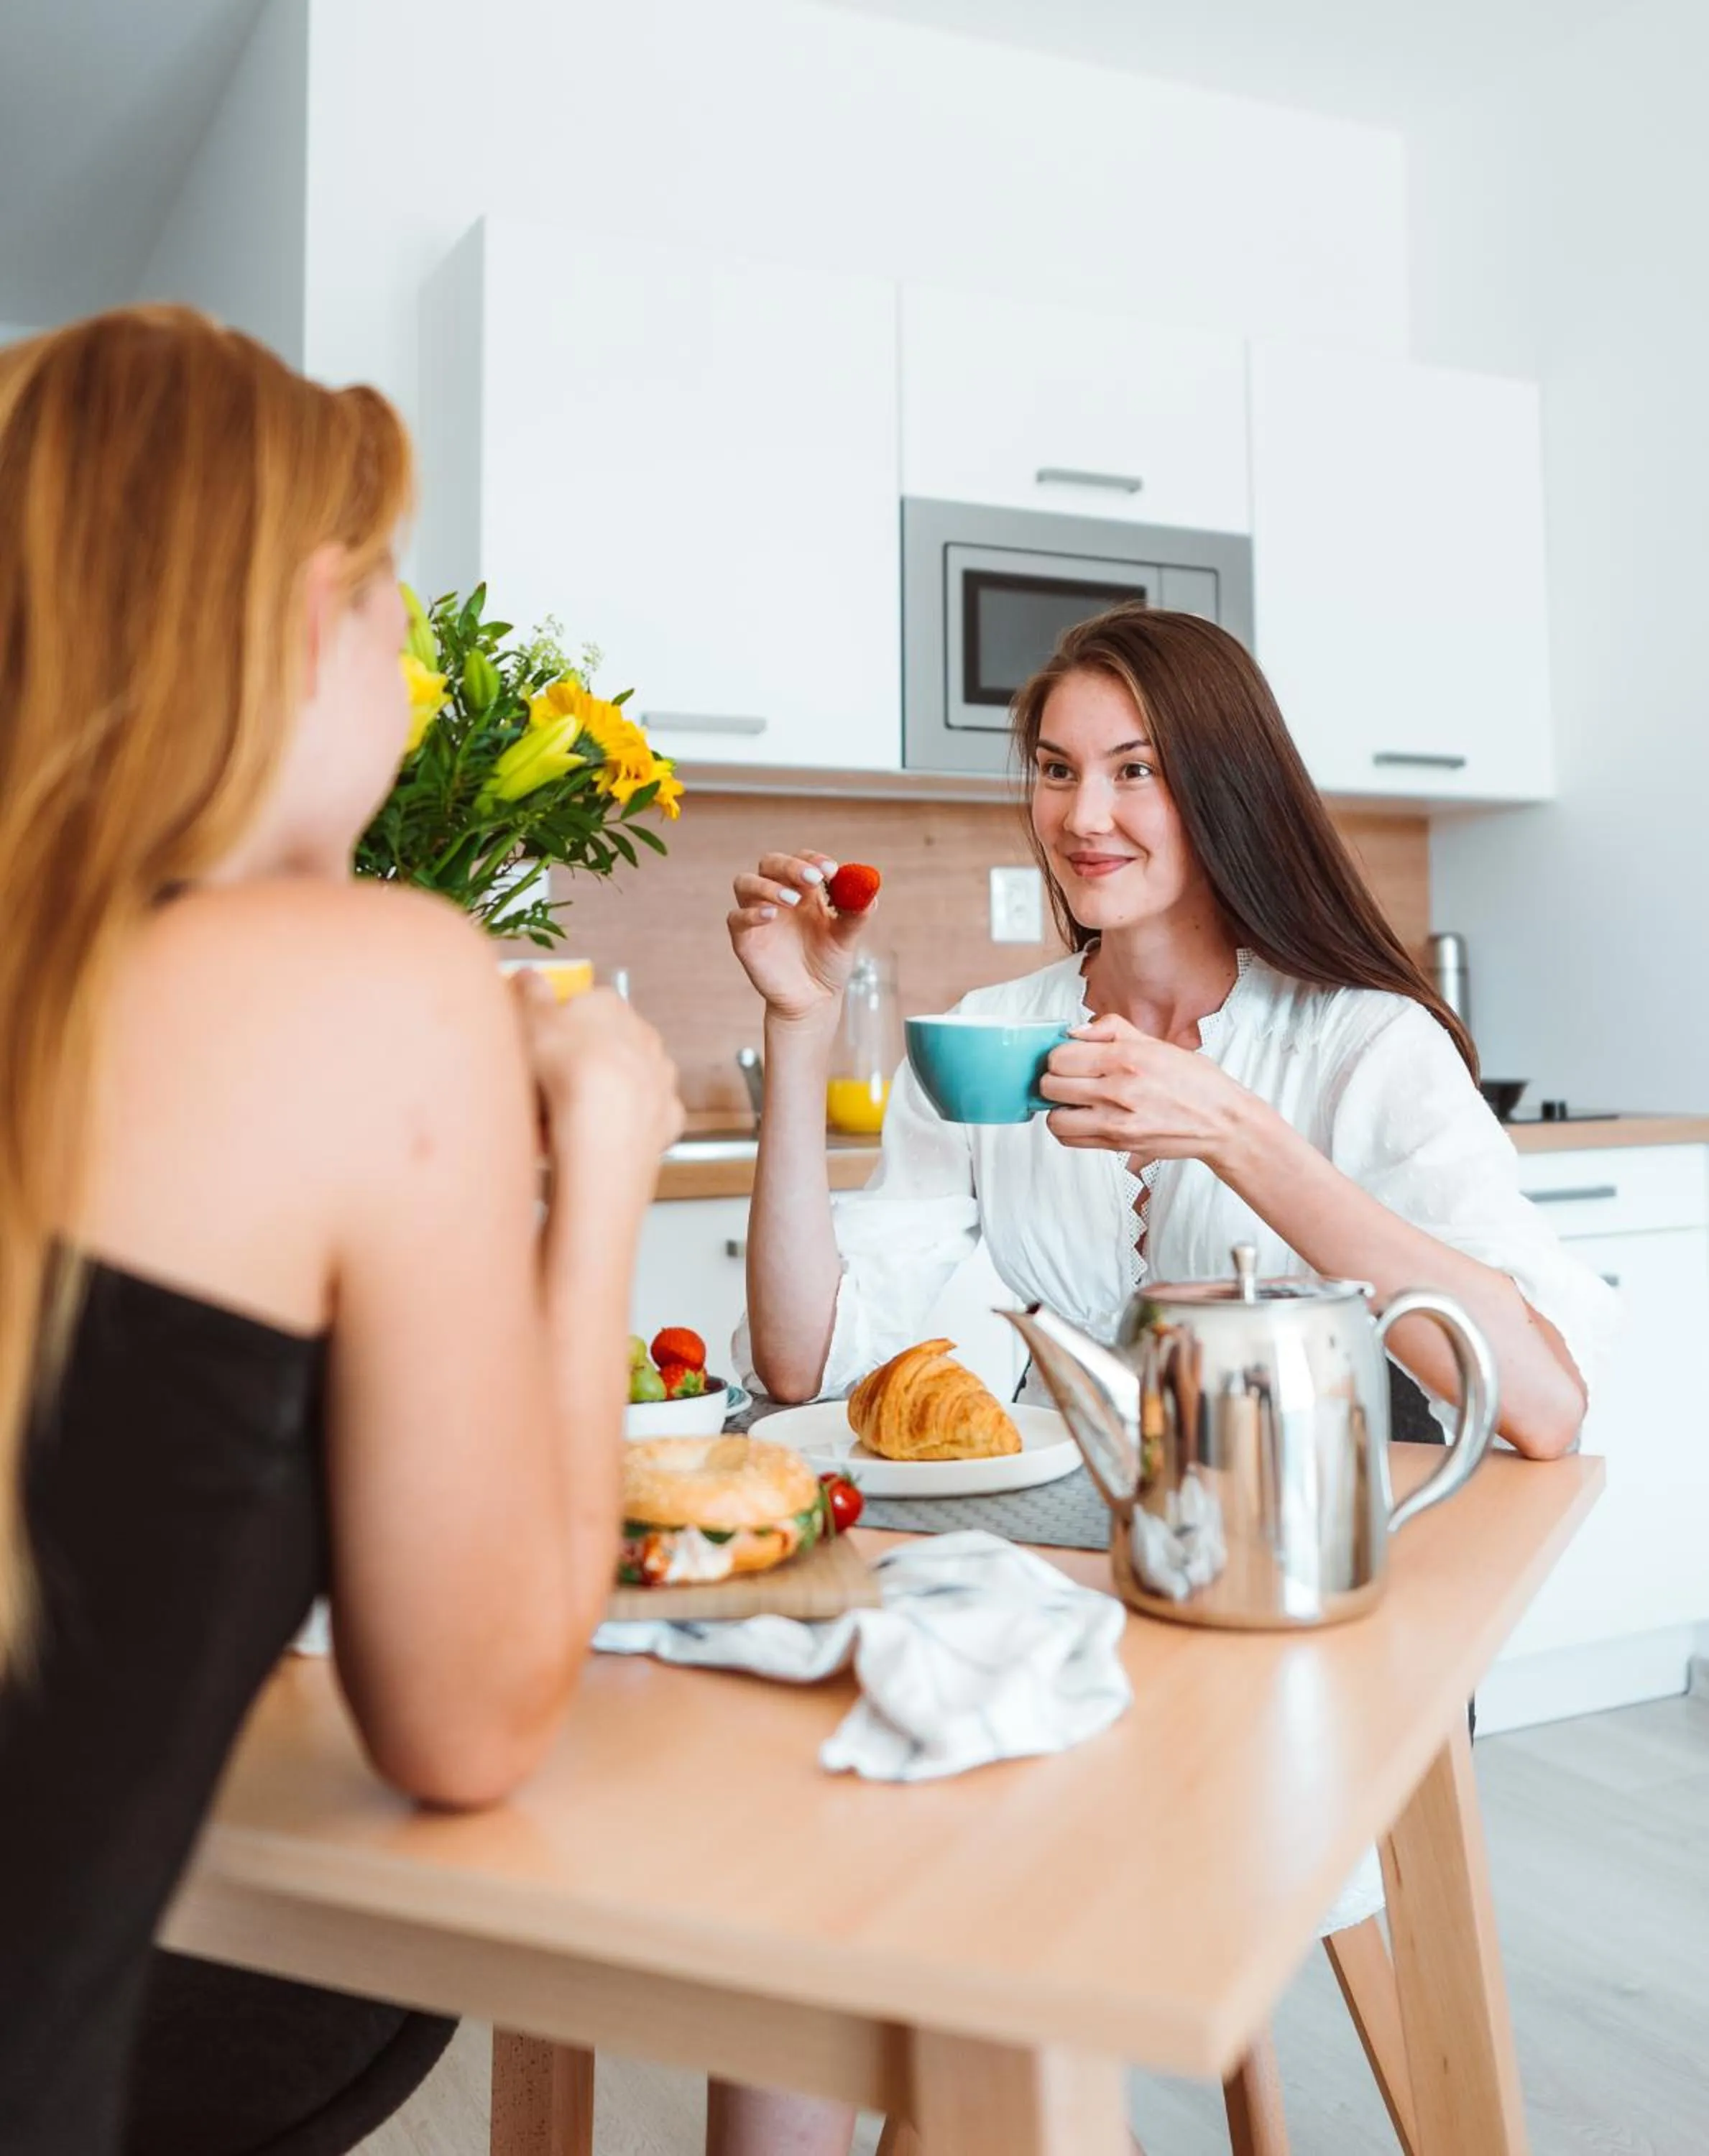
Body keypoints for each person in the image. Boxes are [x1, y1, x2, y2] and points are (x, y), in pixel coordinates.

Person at [716, 603, 1617, 2156]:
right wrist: (797, 1039)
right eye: (1057, 770)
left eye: (1135, 769)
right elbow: (806, 1358)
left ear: (1223, 787)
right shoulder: (991, 1038)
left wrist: (1236, 1134)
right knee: (816, 1844)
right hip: (1040, 1602)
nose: (1085, 815)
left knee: (957, 1849)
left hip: (1272, 1646)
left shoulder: (1360, 1045)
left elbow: (1539, 1398)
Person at [0, 306, 682, 2156]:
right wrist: (603, 1149)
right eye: (393, 592)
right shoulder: (370, 984)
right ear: (312, 613)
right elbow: (468, 1723)